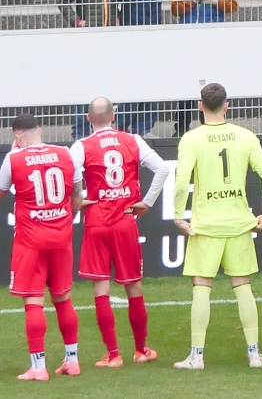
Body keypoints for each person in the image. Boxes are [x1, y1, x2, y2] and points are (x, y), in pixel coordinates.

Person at [170, 82, 262, 370]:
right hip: (238, 224)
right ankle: (254, 354)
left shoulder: (191, 138)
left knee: (201, 288)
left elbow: (181, 181)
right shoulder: (245, 136)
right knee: (243, 287)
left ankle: (197, 356)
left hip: (205, 226)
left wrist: (178, 215)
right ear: (227, 105)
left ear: (200, 106)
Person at [68, 98, 167, 367]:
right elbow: (162, 169)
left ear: (88, 119)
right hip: (125, 220)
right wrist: (147, 202)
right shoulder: (133, 140)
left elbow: (71, 172)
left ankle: (113, 355)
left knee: (101, 289)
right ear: (113, 117)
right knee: (133, 286)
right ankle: (141, 350)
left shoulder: (81, 146)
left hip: (97, 221)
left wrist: (79, 198)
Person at [0, 115, 83, 381]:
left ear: (17, 136)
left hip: (31, 240)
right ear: (40, 131)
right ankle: (72, 361)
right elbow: (77, 195)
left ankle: (38, 367)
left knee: (33, 302)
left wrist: (12, 153)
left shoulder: (14, 158)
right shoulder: (66, 153)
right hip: (61, 238)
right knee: (63, 299)